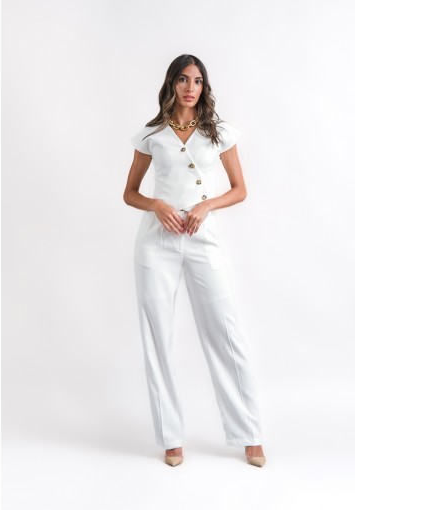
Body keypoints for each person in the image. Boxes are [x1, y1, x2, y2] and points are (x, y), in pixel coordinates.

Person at [123, 54, 266, 468]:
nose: (191, 87)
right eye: (184, 79)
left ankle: (250, 433)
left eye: (198, 81)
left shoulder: (217, 131)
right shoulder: (152, 134)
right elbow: (130, 192)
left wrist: (206, 205)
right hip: (157, 244)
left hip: (204, 241)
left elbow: (239, 189)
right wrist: (156, 205)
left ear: (204, 87)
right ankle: (171, 437)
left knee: (226, 331)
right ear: (172, 83)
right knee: (158, 336)